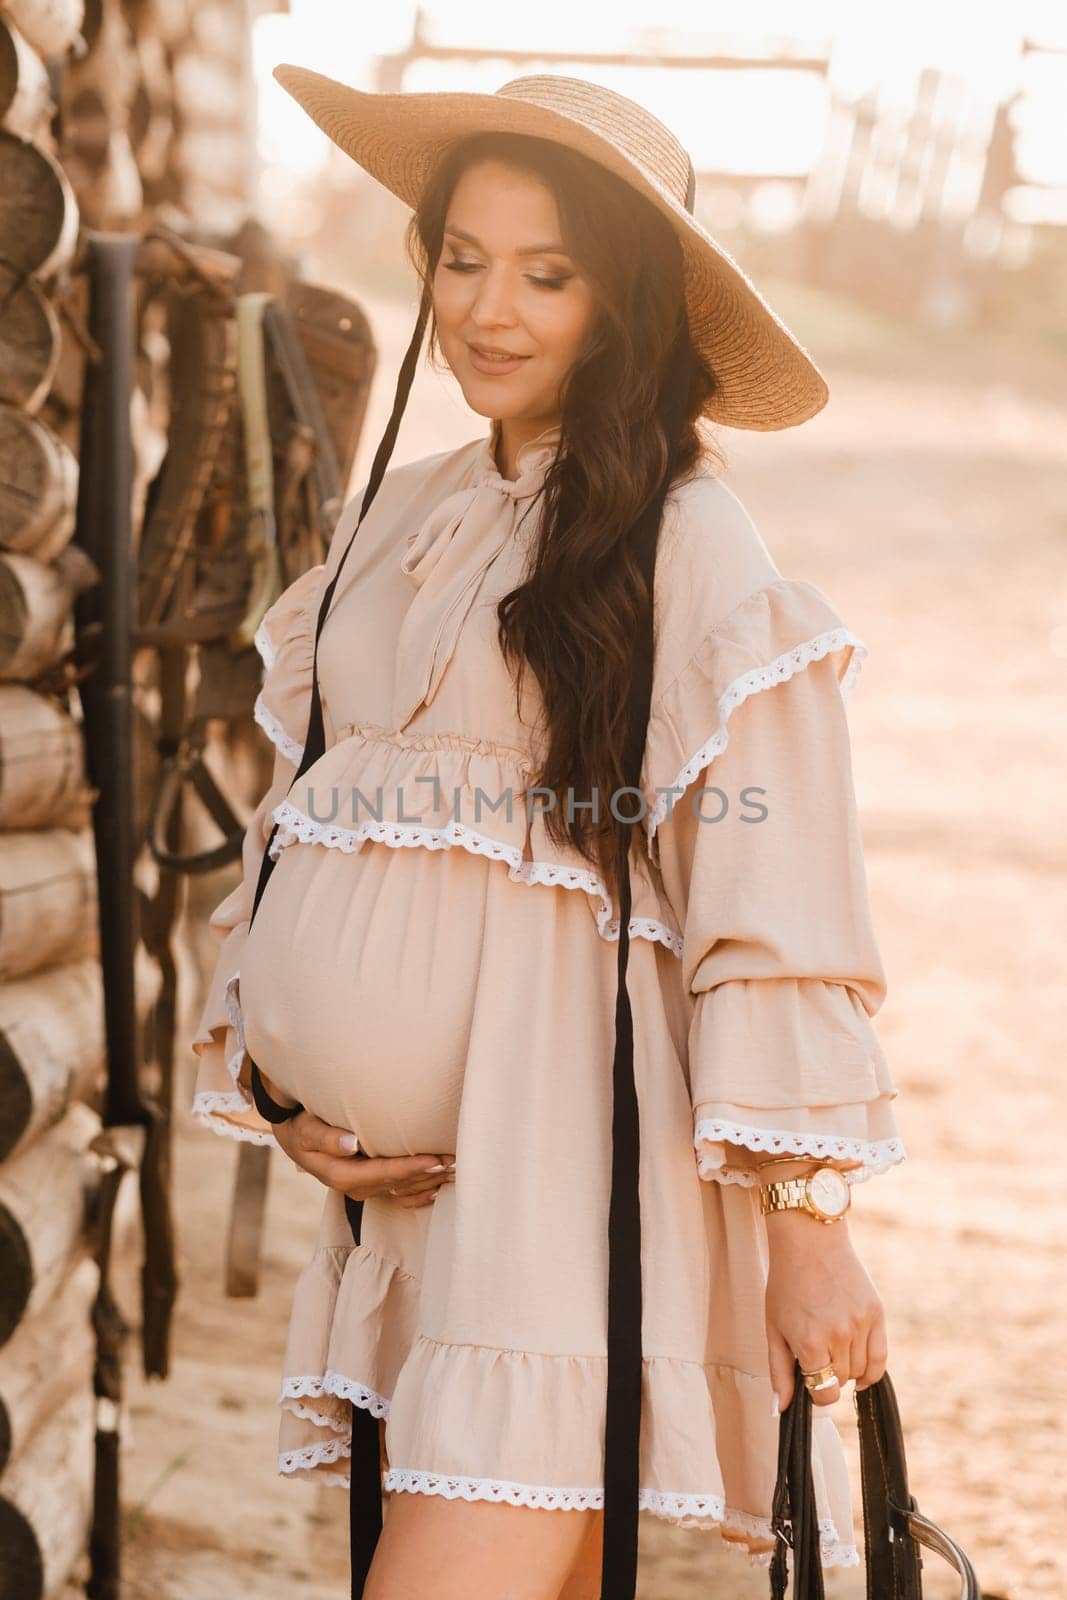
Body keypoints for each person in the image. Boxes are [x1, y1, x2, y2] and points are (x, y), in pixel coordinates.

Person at [190, 69, 906, 1600]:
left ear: (625, 302)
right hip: (416, 1215)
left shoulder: (692, 542)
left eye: (547, 273)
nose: (486, 309)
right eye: (460, 257)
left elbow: (769, 895)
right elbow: (306, 819)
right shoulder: (406, 514)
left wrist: (807, 1226)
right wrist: (277, 1075)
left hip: (566, 1196)